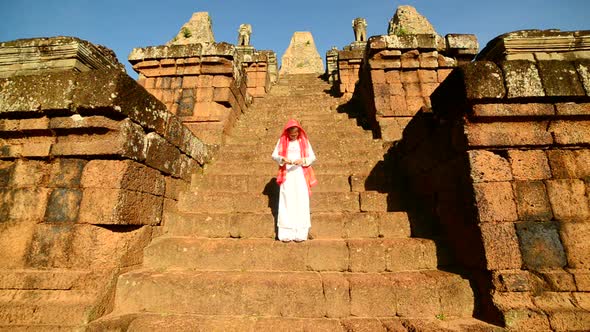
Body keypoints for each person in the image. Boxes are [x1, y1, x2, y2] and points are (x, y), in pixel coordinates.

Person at [271, 119, 317, 242]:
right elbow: (274, 155)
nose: (294, 136)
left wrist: (302, 160)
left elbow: (312, 157)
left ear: (299, 132)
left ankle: (301, 232)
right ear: (287, 133)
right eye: (291, 134)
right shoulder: (282, 141)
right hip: (287, 175)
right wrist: (282, 159)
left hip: (301, 174)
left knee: (301, 200)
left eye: (296, 134)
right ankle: (286, 232)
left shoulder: (304, 142)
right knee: (287, 201)